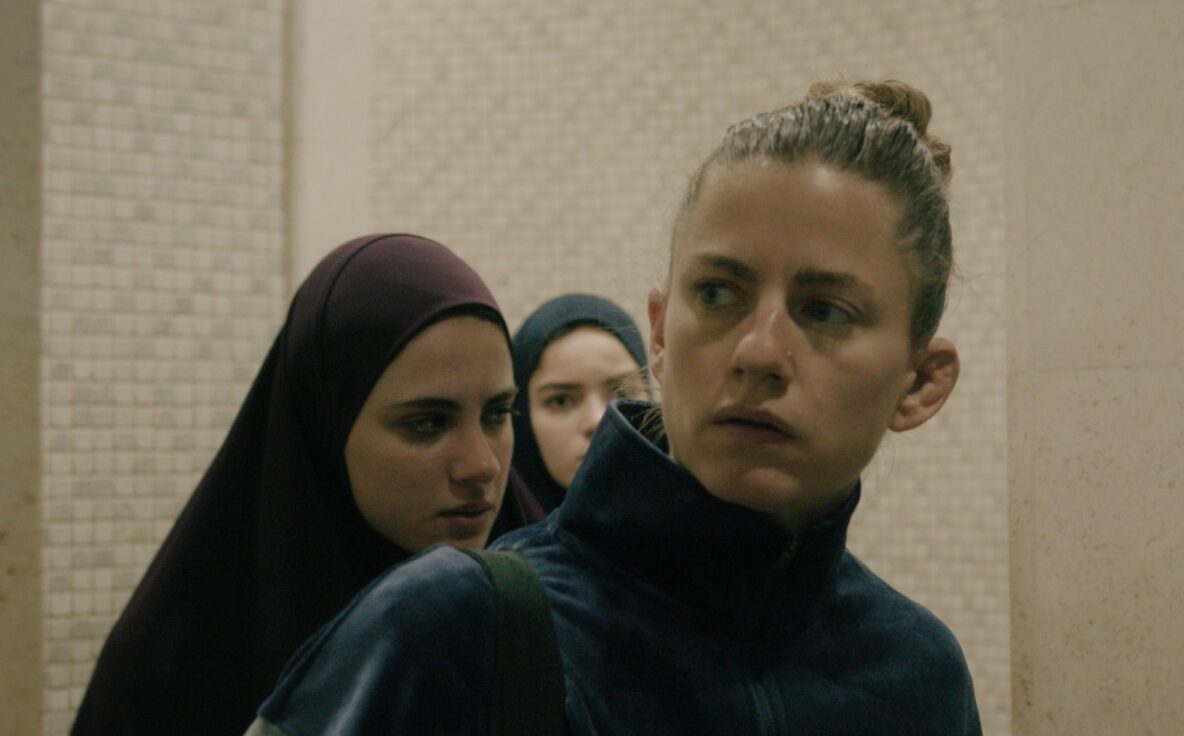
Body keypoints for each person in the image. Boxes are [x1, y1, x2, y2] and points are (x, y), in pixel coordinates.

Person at [247, 79, 979, 735]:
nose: (758, 352)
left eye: (825, 310)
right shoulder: (452, 631)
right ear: (658, 336)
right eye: (718, 293)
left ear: (919, 383)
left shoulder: (918, 676)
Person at [72, 234, 516, 736]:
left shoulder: (551, 608)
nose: (481, 466)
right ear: (324, 427)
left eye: (498, 413)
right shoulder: (175, 669)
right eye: (427, 423)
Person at [490, 294, 649, 537]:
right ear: (521, 418)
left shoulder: (701, 533)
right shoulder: (486, 552)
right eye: (561, 401)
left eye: (621, 392)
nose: (597, 421)